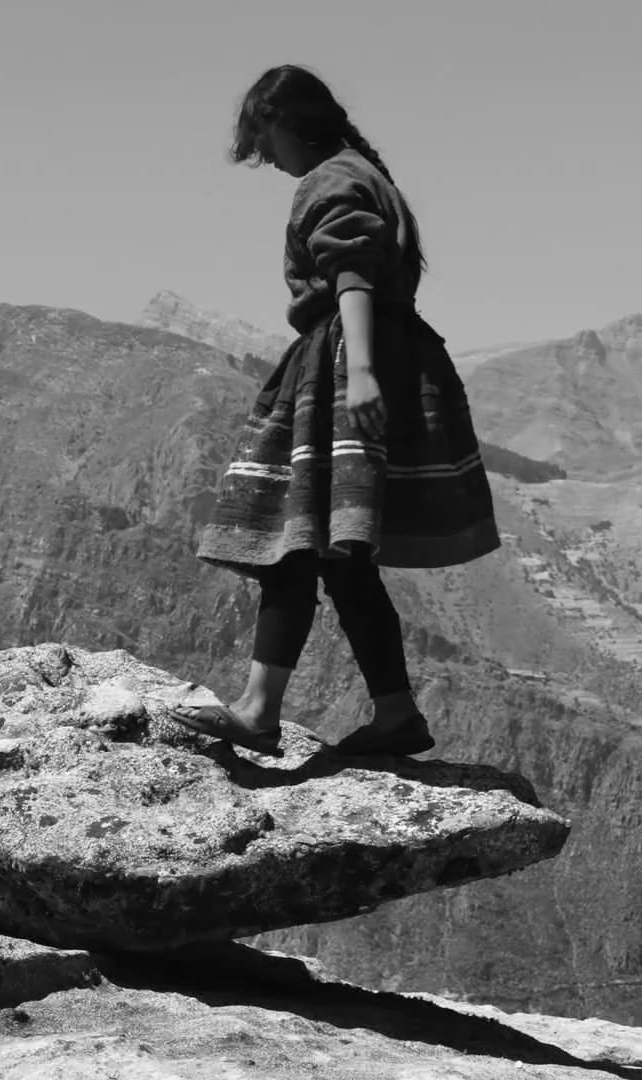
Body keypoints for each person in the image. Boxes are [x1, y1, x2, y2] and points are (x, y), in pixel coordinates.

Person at [180, 66, 501, 758]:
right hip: (383, 349)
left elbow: (351, 274)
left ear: (285, 122)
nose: (266, 158)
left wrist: (358, 372)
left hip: (343, 361)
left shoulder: (329, 179)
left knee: (292, 539)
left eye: (264, 140)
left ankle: (259, 709)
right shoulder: (366, 173)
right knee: (339, 555)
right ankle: (395, 713)